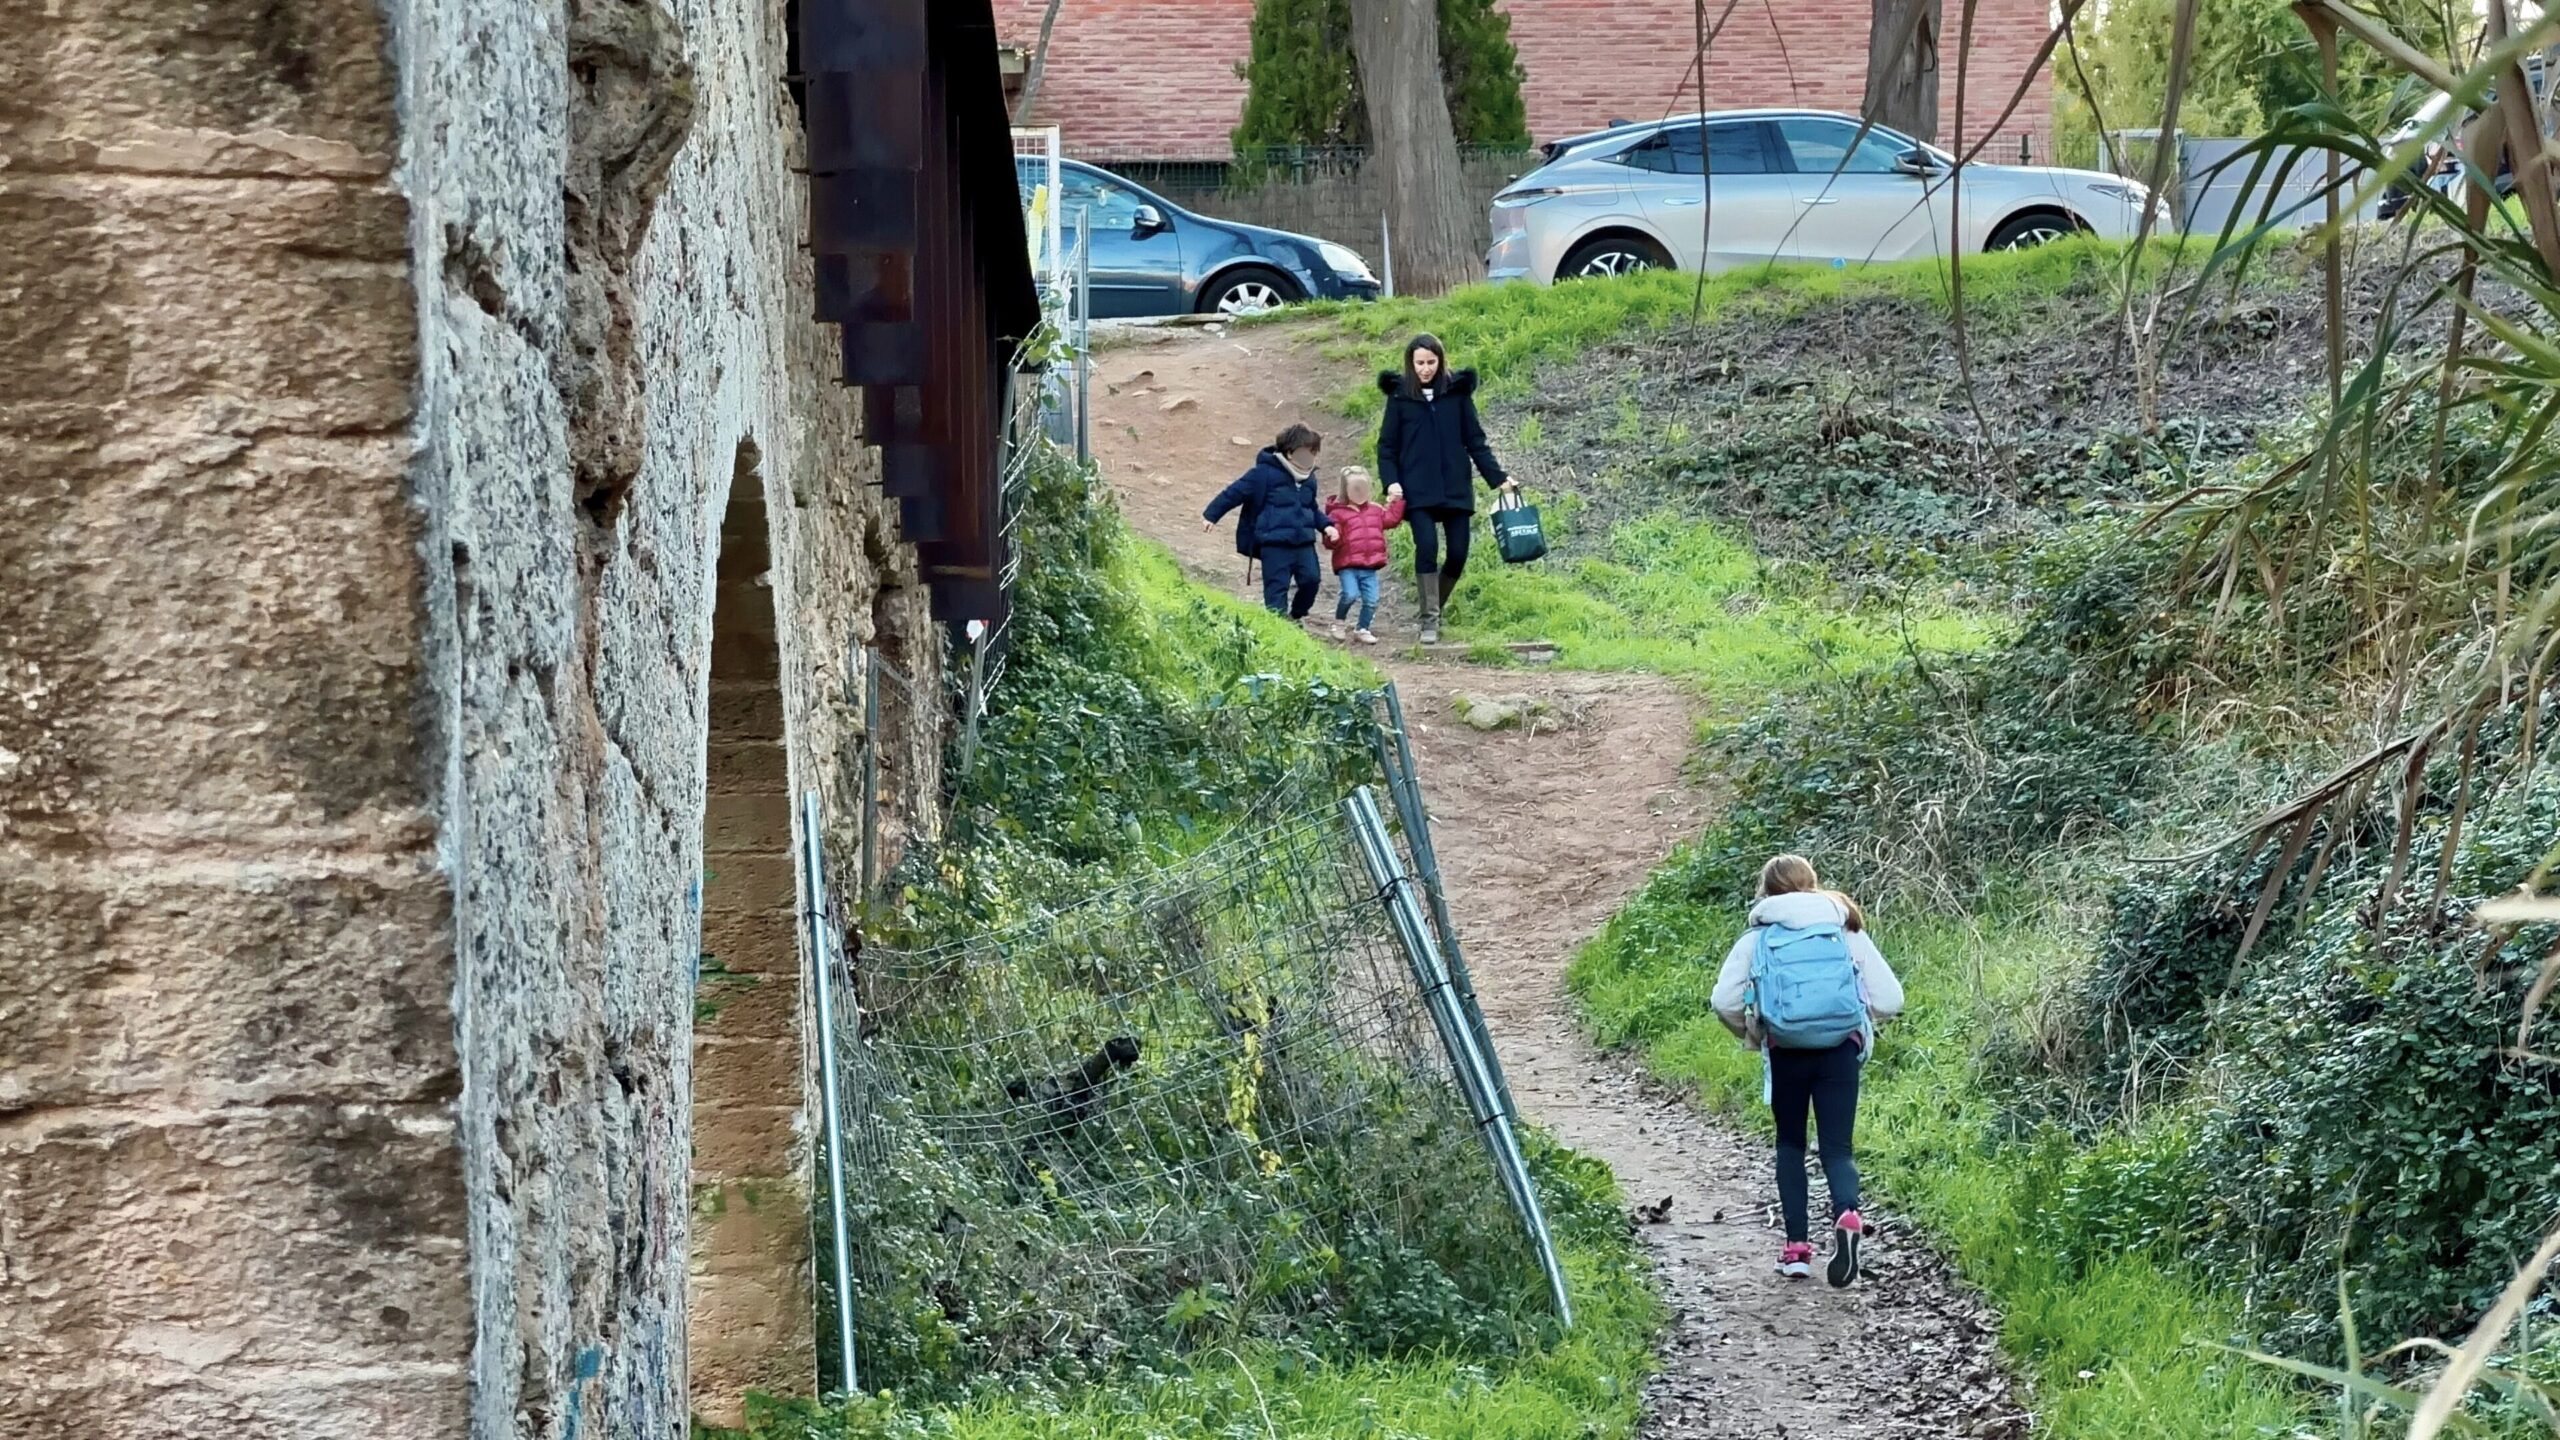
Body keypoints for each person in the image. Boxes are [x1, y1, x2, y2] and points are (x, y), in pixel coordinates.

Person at [1710, 854, 1904, 1287]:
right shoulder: (1844, 928)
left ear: (1767, 891)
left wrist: (1755, 1032)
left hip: (1787, 1050)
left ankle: (1796, 1250)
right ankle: (1847, 1213)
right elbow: (1891, 999)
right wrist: (1856, 1018)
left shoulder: (1758, 938)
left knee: (1790, 1145)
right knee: (1838, 1149)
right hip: (1840, 1050)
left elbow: (1723, 1001)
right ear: (1811, 883)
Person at [1373, 333, 1515, 644]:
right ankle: (1429, 621)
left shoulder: (1458, 394)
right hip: (1417, 489)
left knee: (1458, 554)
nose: (1425, 369)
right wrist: (1392, 482)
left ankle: (1434, 604)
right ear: (1410, 363)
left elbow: (1476, 442)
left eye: (1431, 362)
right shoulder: (1399, 398)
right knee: (1426, 548)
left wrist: (1499, 479)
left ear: (1441, 361)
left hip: (1455, 488)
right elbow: (1386, 447)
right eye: (1420, 363)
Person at [1204, 424, 1337, 622]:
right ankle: (1279, 627)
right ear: (1290, 453)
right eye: (1306, 452)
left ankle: (1296, 616)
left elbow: (1311, 507)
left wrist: (1327, 525)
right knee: (1276, 589)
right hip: (1274, 544)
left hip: (1304, 543)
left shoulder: (1310, 479)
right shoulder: (1263, 473)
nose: (1310, 458)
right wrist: (1211, 515)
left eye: (1313, 452)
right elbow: (1234, 493)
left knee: (1312, 580)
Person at [1321, 466, 1404, 644]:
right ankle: (1339, 623)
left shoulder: (1375, 510)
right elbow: (1330, 541)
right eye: (1355, 488)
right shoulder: (1338, 513)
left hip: (1370, 565)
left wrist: (1396, 502)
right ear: (1346, 490)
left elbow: (1391, 519)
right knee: (1350, 594)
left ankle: (1362, 628)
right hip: (1348, 564)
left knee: (1372, 600)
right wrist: (1332, 537)